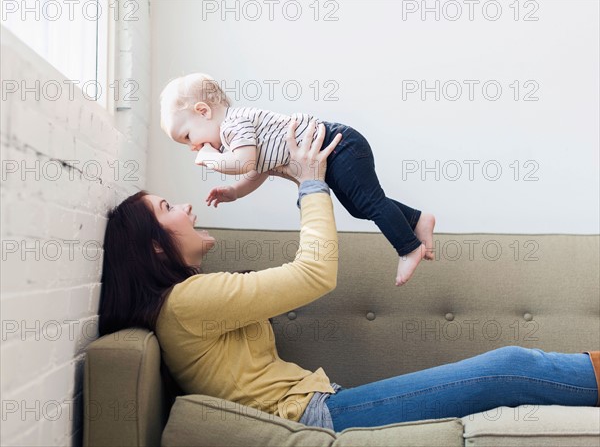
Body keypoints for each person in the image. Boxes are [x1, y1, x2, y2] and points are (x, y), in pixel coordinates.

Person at [98, 120, 600, 433]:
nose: (186, 206)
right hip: (319, 420)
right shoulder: (188, 303)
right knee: (505, 367)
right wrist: (312, 184)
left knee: (506, 367)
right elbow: (315, 274)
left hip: (324, 406)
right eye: (168, 207)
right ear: (153, 244)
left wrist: (282, 174)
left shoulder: (191, 301)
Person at [159, 72, 436, 286]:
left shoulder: (234, 124)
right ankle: (417, 219)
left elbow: (245, 163)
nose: (192, 147)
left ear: (203, 111)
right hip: (335, 154)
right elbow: (258, 170)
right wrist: (234, 192)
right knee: (359, 207)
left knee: (370, 203)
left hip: (339, 146)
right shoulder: (238, 138)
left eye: (187, 137)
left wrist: (209, 158)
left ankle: (408, 247)